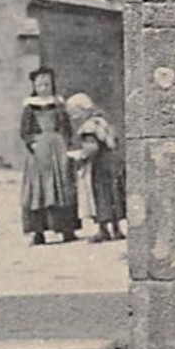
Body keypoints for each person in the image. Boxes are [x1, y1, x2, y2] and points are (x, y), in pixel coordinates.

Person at [20, 67, 79, 245]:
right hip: (39, 152)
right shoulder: (30, 106)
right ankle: (38, 232)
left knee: (62, 187)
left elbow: (66, 127)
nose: (43, 88)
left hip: (58, 148)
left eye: (47, 84)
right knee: (38, 190)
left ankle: (67, 229)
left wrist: (66, 144)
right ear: (34, 86)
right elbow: (25, 131)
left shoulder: (59, 104)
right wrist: (33, 143)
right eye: (40, 85)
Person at [66, 93, 126, 242]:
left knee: (101, 194)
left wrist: (79, 155)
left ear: (84, 110)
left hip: (101, 163)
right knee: (113, 194)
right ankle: (116, 229)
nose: (74, 118)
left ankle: (104, 229)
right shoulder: (103, 122)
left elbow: (91, 147)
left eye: (75, 113)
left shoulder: (89, 126)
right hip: (113, 161)